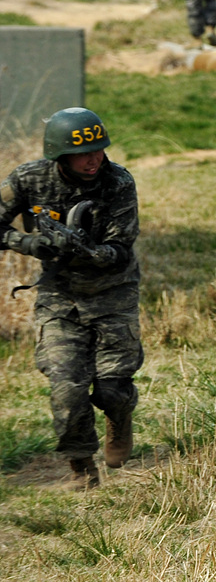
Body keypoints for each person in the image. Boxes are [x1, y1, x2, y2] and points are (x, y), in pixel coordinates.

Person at [0, 109, 142, 490]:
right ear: (60, 155)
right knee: (67, 388)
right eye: (83, 153)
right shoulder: (28, 179)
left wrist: (85, 251)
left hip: (112, 294)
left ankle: (120, 418)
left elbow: (121, 249)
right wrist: (28, 242)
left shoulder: (118, 182)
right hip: (59, 298)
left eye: (98, 150)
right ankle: (81, 468)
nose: (93, 159)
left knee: (111, 390)